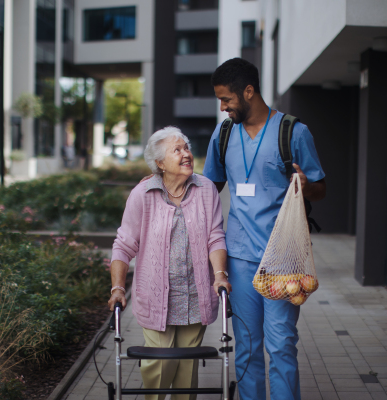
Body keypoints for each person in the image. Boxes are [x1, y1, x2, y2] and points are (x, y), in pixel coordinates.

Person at [203, 58, 326, 400]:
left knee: (282, 345)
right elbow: (208, 186)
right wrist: (164, 183)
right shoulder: (224, 134)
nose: (223, 107)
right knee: (247, 349)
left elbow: (320, 187)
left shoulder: (293, 132)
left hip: (283, 259)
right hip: (239, 258)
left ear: (249, 91)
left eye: (226, 99)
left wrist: (304, 183)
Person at [108, 126, 231, 400]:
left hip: (194, 297)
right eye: (177, 150)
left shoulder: (206, 189)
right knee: (160, 366)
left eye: (186, 148)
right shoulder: (143, 194)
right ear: (160, 163)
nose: (186, 154)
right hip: (155, 297)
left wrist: (220, 274)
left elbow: (215, 237)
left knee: (187, 371)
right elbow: (124, 243)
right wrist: (117, 288)